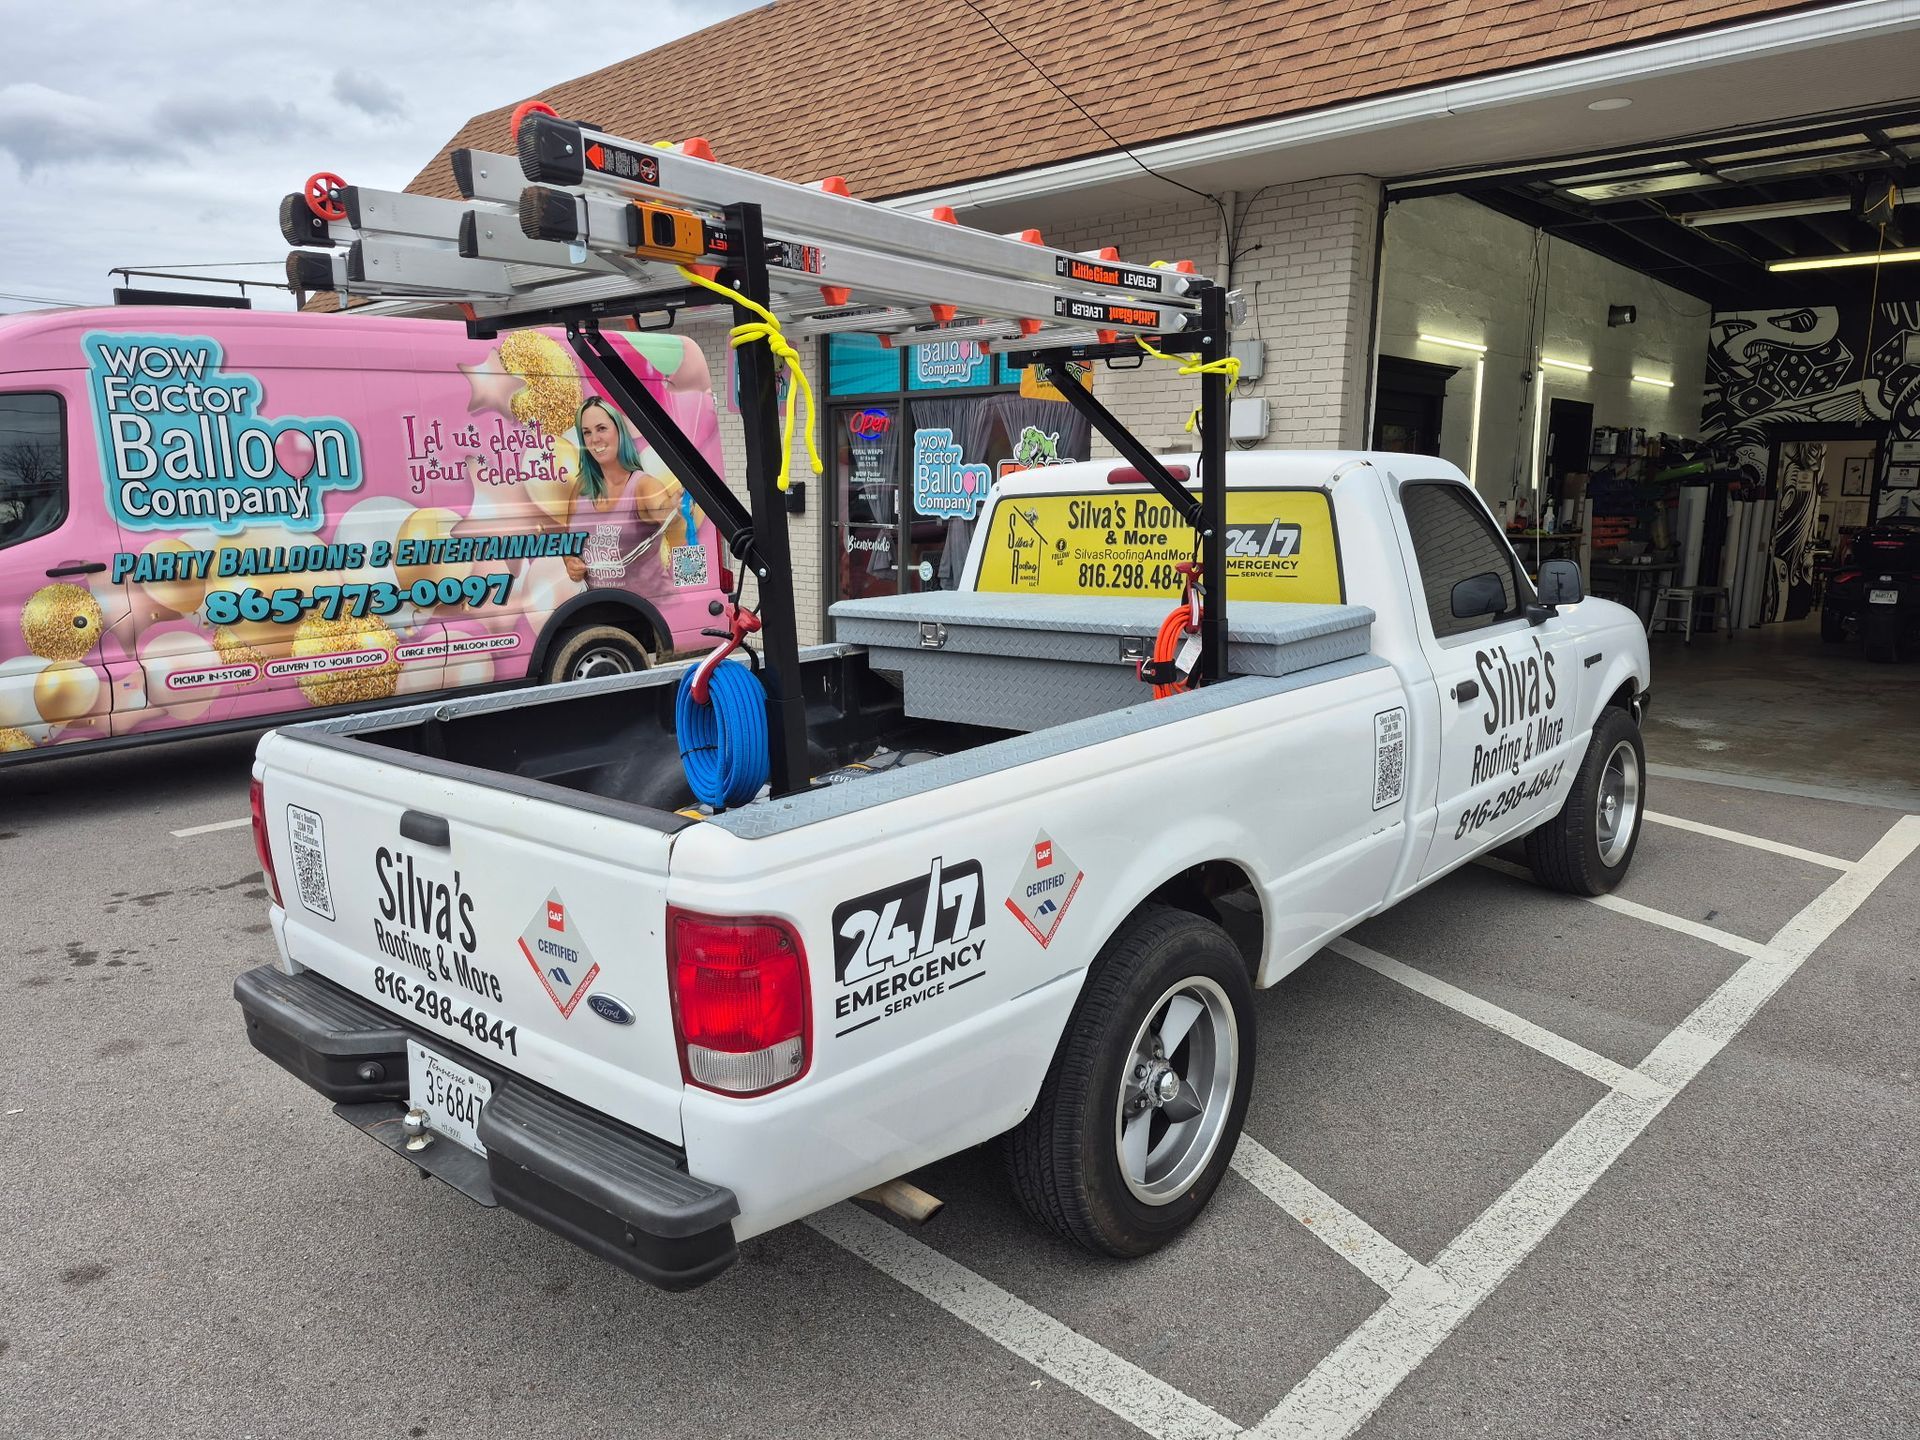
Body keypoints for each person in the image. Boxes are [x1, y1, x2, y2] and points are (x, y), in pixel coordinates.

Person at [563, 396, 693, 583]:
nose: (594, 439)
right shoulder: (582, 487)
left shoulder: (643, 485)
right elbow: (570, 542)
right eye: (587, 432)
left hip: (649, 608)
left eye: (601, 428)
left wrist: (675, 505)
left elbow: (663, 510)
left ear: (619, 431)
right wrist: (570, 562)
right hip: (602, 606)